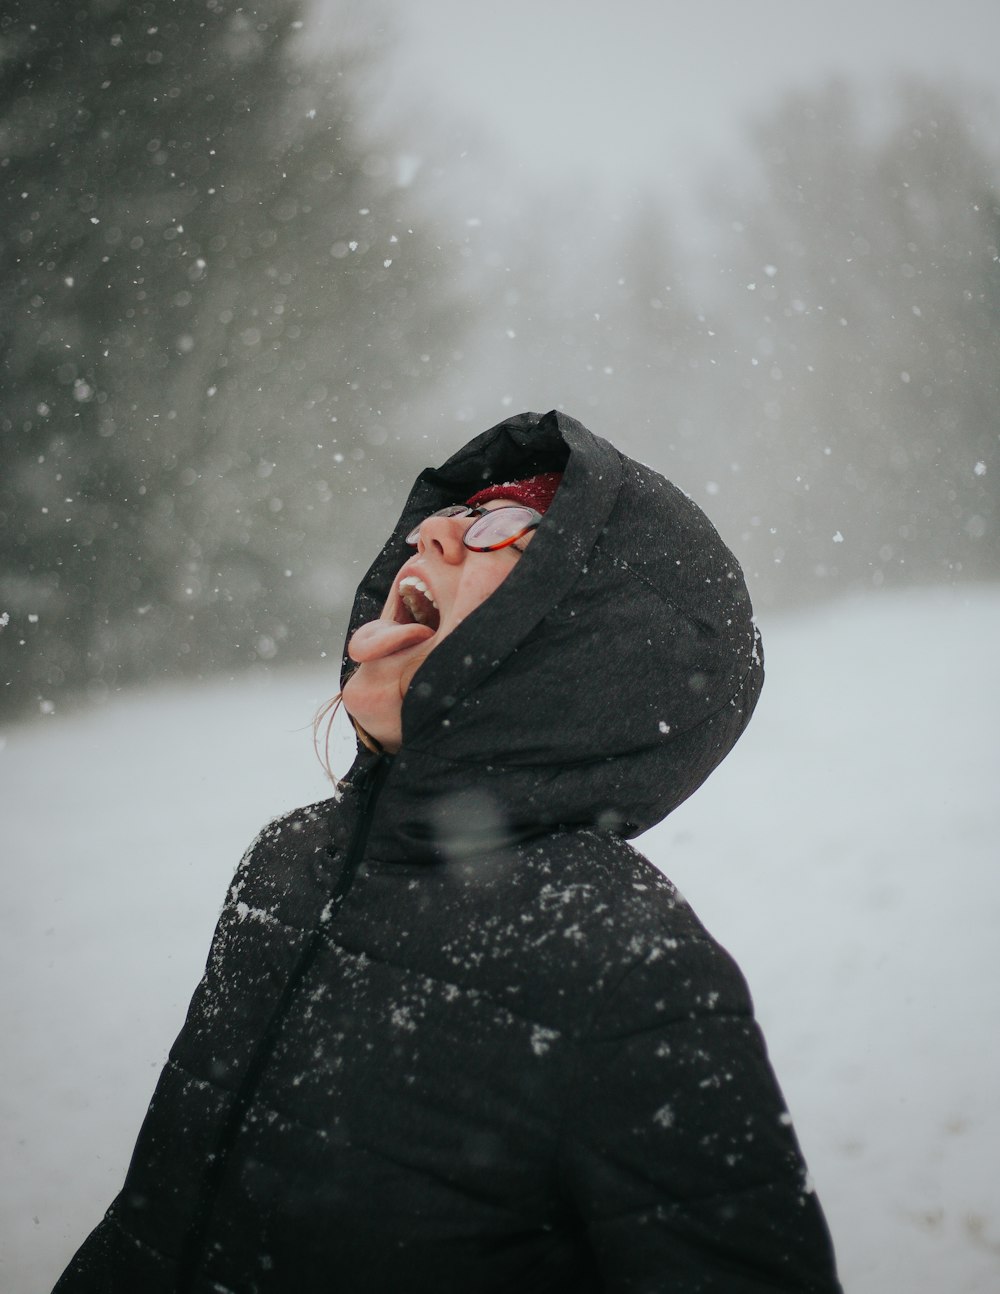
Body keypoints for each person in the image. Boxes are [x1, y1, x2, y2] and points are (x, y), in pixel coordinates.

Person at [54, 410, 842, 1293]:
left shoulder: (627, 969)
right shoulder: (282, 870)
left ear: (586, 639)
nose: (433, 530)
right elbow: (155, 1220)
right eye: (453, 512)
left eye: (504, 526)